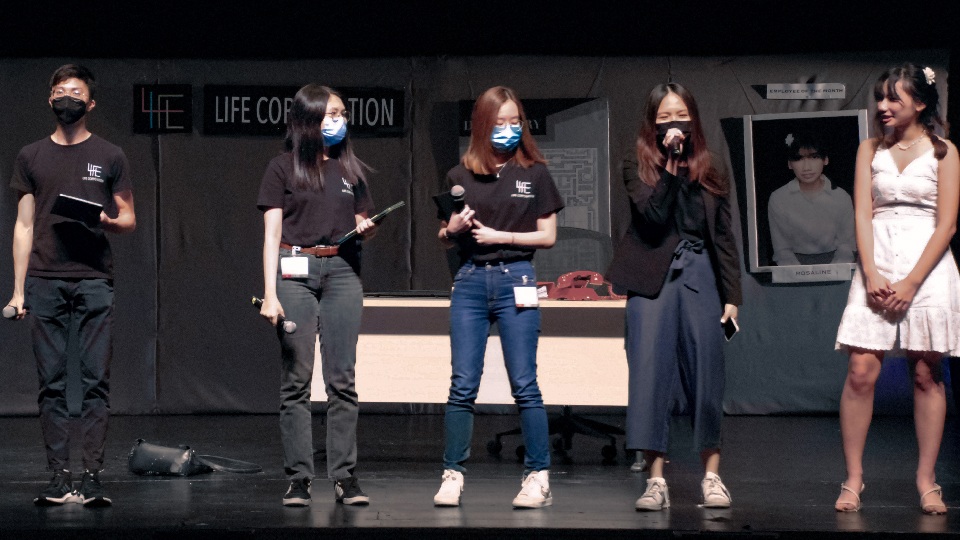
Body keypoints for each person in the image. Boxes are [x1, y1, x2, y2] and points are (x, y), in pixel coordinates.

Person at [605, 83, 742, 511]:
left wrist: (732, 297)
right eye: (664, 118)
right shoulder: (637, 163)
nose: (673, 123)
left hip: (700, 271)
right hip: (652, 276)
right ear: (652, 123)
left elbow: (723, 235)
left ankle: (712, 476)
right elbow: (652, 216)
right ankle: (656, 481)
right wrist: (670, 164)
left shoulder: (712, 166)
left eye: (679, 115)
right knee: (649, 374)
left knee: (706, 373)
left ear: (693, 118)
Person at [6, 64, 136, 506]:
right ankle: (60, 477)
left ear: (90, 103)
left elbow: (129, 218)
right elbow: (24, 226)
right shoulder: (30, 156)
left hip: (95, 279)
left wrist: (107, 222)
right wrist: (19, 289)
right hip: (44, 279)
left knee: (96, 380)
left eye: (75, 92)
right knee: (53, 382)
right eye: (59, 91)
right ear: (49, 100)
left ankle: (93, 476)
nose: (67, 98)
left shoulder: (111, 155)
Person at [834, 63, 959, 515]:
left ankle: (927, 480)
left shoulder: (945, 152)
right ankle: (853, 478)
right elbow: (862, 215)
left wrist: (910, 282)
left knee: (927, 374)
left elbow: (946, 225)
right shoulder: (869, 149)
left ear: (920, 104)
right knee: (861, 372)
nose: (883, 107)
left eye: (894, 99)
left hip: (927, 269)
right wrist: (871, 271)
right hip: (877, 262)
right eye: (880, 98)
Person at [432, 86, 564, 509]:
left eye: (514, 122)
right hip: (470, 281)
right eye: (499, 122)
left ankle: (538, 476)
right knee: (462, 384)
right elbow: (444, 237)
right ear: (482, 126)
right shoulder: (459, 176)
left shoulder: (535, 172)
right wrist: (452, 230)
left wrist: (499, 235)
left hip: (517, 278)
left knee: (524, 383)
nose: (508, 130)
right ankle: (453, 474)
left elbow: (548, 236)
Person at [257, 84, 377, 507]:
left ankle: (345, 477)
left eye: (342, 114)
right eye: (329, 115)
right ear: (307, 121)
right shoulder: (281, 167)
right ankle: (299, 479)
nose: (338, 121)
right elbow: (272, 233)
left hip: (342, 272)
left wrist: (366, 226)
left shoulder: (351, 170)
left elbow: (361, 218)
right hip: (295, 270)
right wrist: (270, 293)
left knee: (342, 380)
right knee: (297, 380)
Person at [768, 131, 856, 266]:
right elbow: (782, 249)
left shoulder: (841, 197)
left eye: (814, 158)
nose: (807, 167)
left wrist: (833, 271)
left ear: (825, 160)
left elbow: (846, 246)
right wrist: (799, 274)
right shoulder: (779, 198)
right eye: (798, 159)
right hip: (793, 265)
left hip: (836, 263)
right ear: (790, 164)